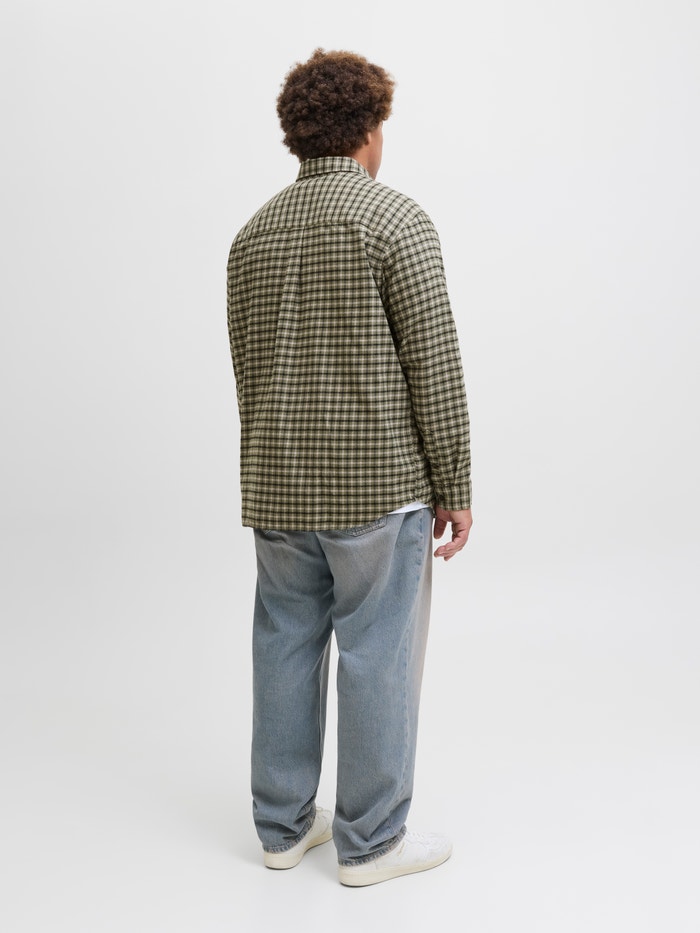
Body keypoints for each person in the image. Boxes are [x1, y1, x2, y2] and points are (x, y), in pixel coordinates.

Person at [226, 48, 473, 887]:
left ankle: (282, 826)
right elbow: (433, 365)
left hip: (278, 488)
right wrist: (454, 484)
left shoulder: (251, 236)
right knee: (378, 656)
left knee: (283, 647)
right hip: (377, 489)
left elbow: (249, 371)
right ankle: (371, 842)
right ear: (369, 130)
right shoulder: (395, 221)